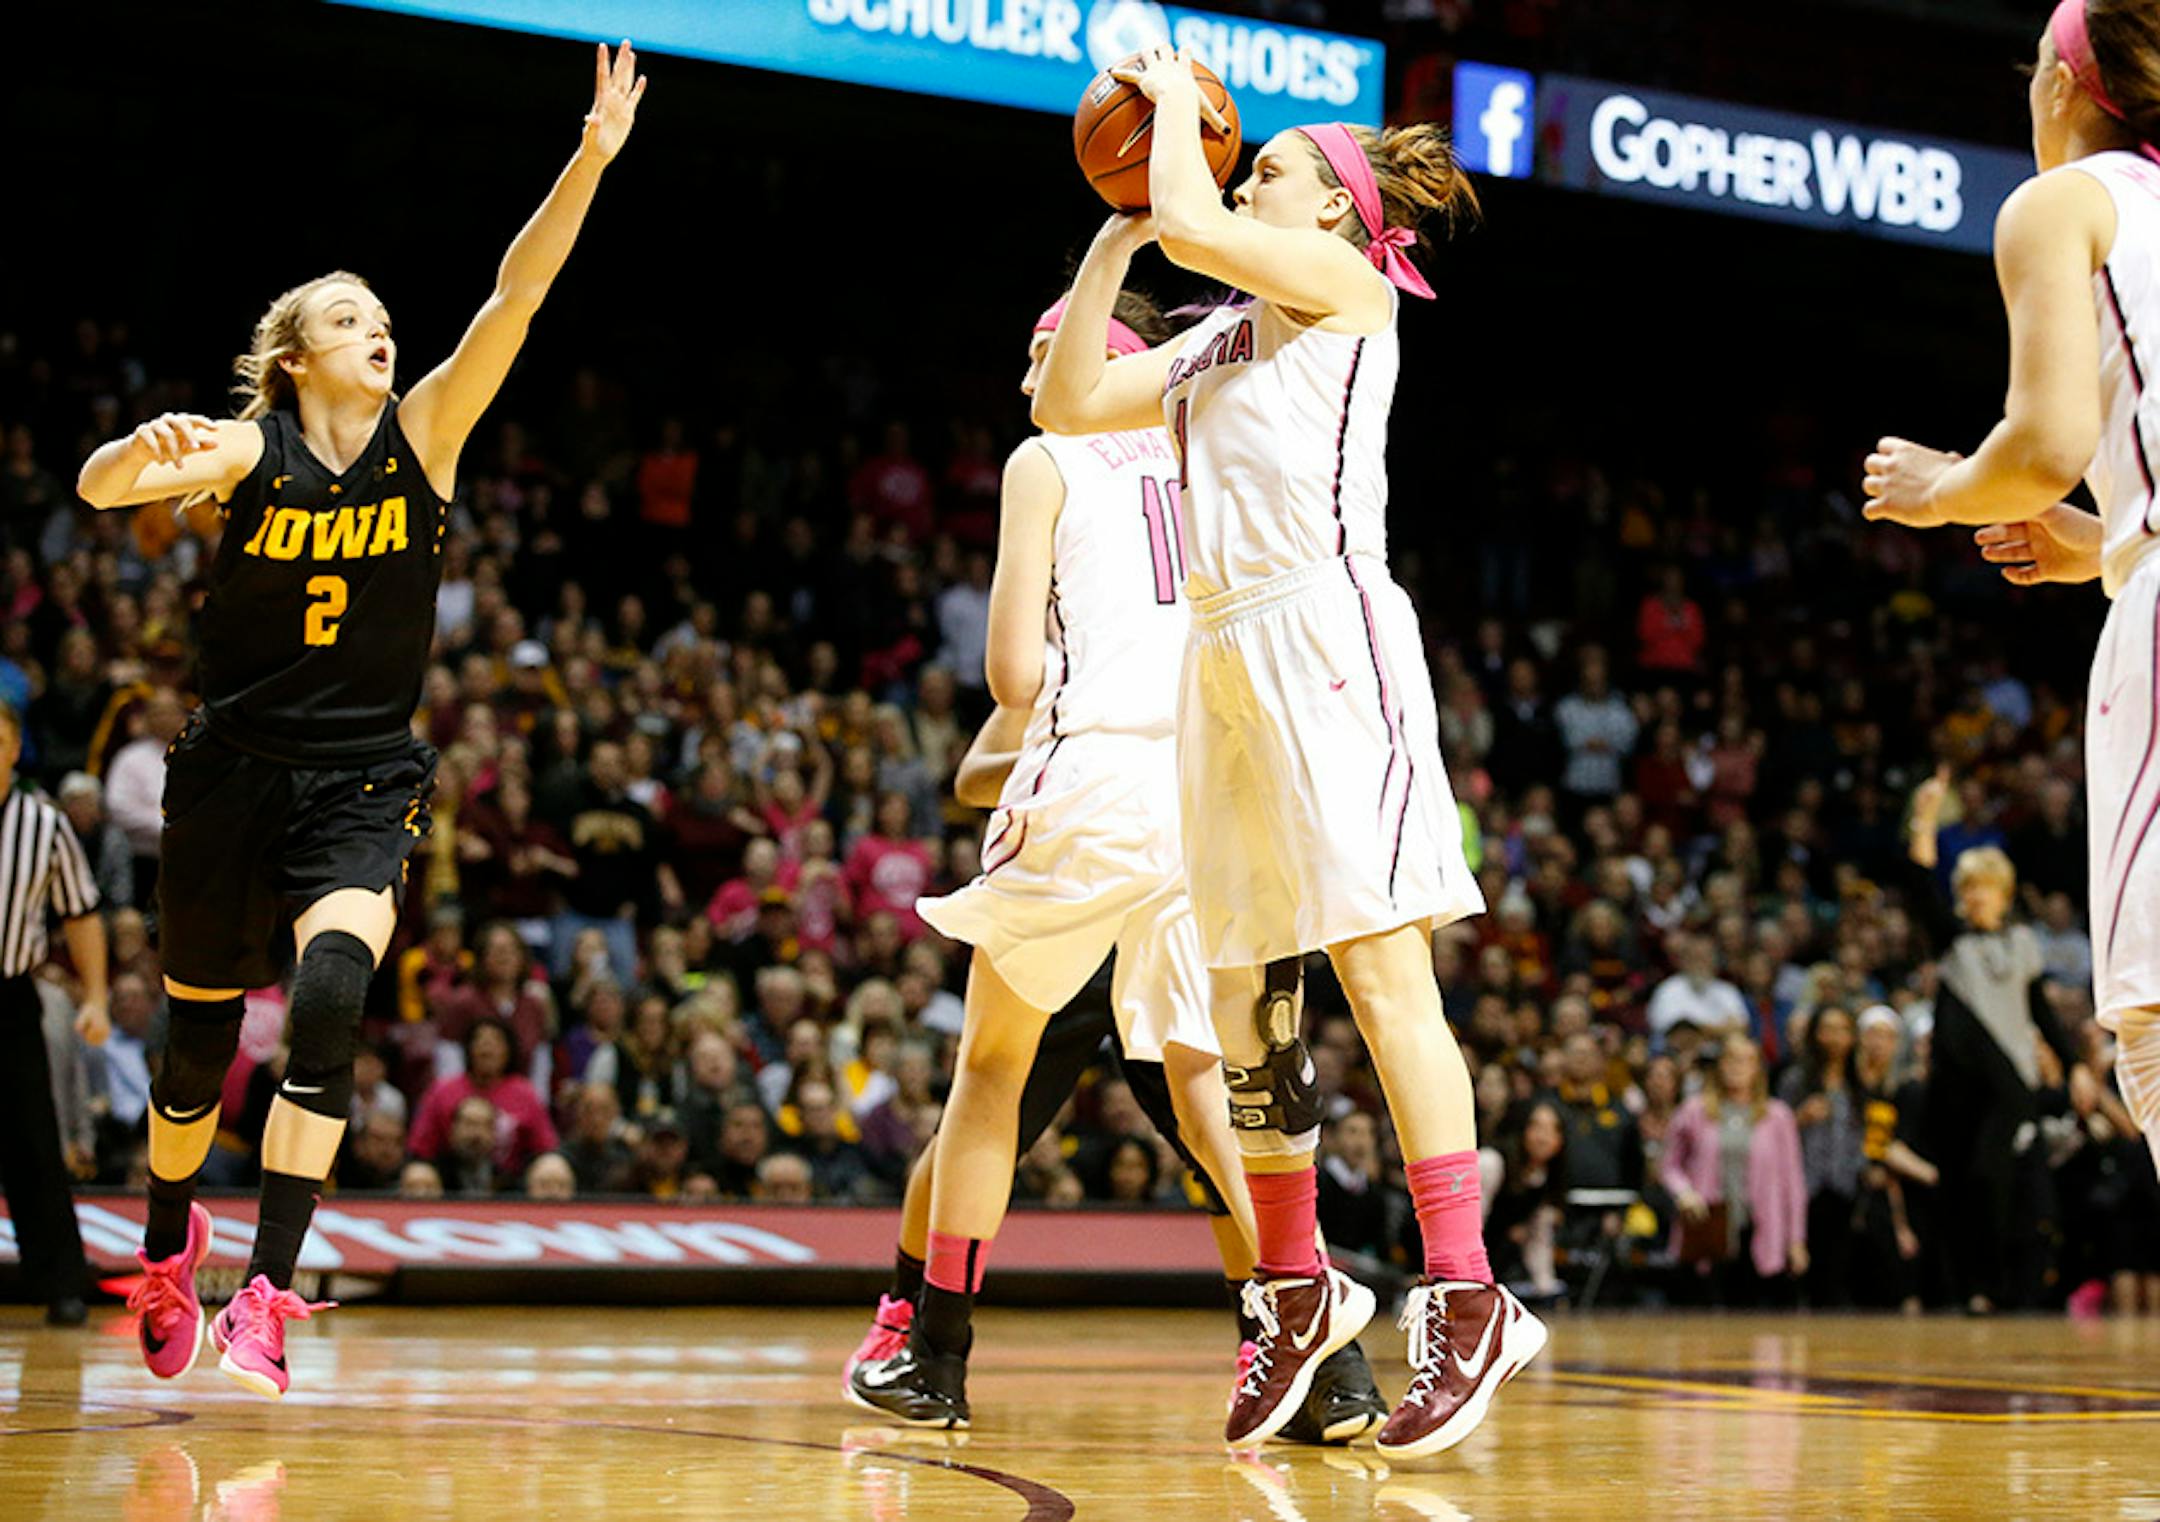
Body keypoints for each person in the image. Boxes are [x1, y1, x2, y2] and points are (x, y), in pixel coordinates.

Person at [75, 42, 644, 1397]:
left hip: (361, 777)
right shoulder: (244, 447)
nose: (378, 325)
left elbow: (518, 294)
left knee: (331, 993)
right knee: (194, 1054)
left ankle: (269, 1286)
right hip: (230, 775)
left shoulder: (428, 432)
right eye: (348, 315)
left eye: (381, 312)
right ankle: (169, 1247)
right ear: (294, 354)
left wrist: (590, 158)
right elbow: (107, 488)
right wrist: (127, 458)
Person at [1033, 51, 1542, 1454]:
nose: (1243, 172)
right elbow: (1067, 407)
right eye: (1236, 162)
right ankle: (1299, 1284)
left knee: (1382, 971)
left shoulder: (1350, 293)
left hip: (1323, 632)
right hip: (1219, 660)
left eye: (1273, 167)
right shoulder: (1222, 332)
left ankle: (1468, 1288)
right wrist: (1118, 224)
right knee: (1248, 994)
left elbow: (1208, 226)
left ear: (1336, 211)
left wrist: (1181, 125)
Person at [847, 296, 1382, 1442]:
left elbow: (1010, 672)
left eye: (1050, 350)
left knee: (987, 1074)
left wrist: (1008, 745)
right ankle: (1326, 1358)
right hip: (1208, 790)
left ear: (1105, 364)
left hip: (1091, 786)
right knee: (1209, 1090)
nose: (1032, 369)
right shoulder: (1204, 458)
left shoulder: (1047, 458)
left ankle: (933, 1356)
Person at [1862, 0, 2160, 1185]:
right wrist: (2111, 545)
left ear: (2065, 87)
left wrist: (1940, 490)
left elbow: (2037, 449)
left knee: (2149, 1019)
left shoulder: (2063, 202)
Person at [0, 702, 107, 1326]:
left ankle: (61, 1281)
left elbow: (82, 912)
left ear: (16, 750)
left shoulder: (45, 824)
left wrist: (94, 995)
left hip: (11, 996)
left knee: (34, 1142)